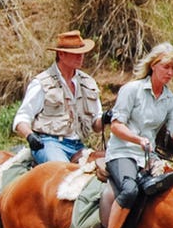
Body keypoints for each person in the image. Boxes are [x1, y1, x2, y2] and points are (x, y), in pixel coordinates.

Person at [99, 42, 173, 228]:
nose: (170, 72)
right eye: (166, 67)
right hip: (122, 152)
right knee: (130, 190)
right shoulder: (132, 90)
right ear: (153, 65)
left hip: (149, 157)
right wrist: (138, 140)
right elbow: (116, 126)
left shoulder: (170, 100)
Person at [12, 30, 104, 164]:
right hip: (49, 144)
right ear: (61, 54)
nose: (81, 57)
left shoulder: (88, 83)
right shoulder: (42, 82)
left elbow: (96, 125)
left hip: (79, 146)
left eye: (82, 53)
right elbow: (22, 118)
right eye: (76, 54)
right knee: (62, 171)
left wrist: (107, 118)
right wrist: (30, 136)